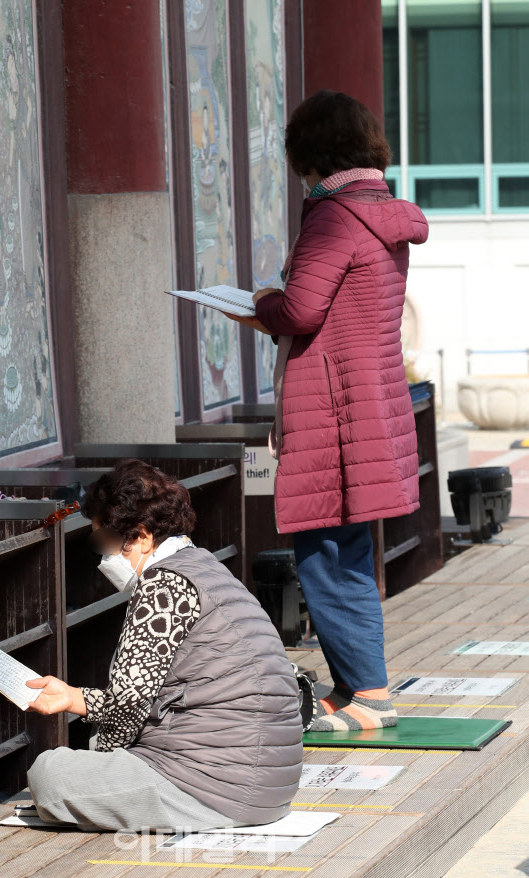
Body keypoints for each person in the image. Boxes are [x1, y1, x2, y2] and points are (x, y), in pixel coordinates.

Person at [226, 89, 429, 733]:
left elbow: (302, 311)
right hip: (372, 402)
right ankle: (359, 686)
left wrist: (258, 302)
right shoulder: (381, 213)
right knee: (344, 547)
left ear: (312, 158)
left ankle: (368, 693)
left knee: (323, 552)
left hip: (334, 410)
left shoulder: (333, 217)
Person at [25, 459, 310, 832]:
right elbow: (169, 691)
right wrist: (74, 698)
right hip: (270, 787)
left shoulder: (163, 586)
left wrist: (105, 761)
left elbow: (128, 706)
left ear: (141, 536)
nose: (104, 556)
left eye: (104, 541)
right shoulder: (206, 568)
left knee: (49, 772)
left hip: (213, 787)